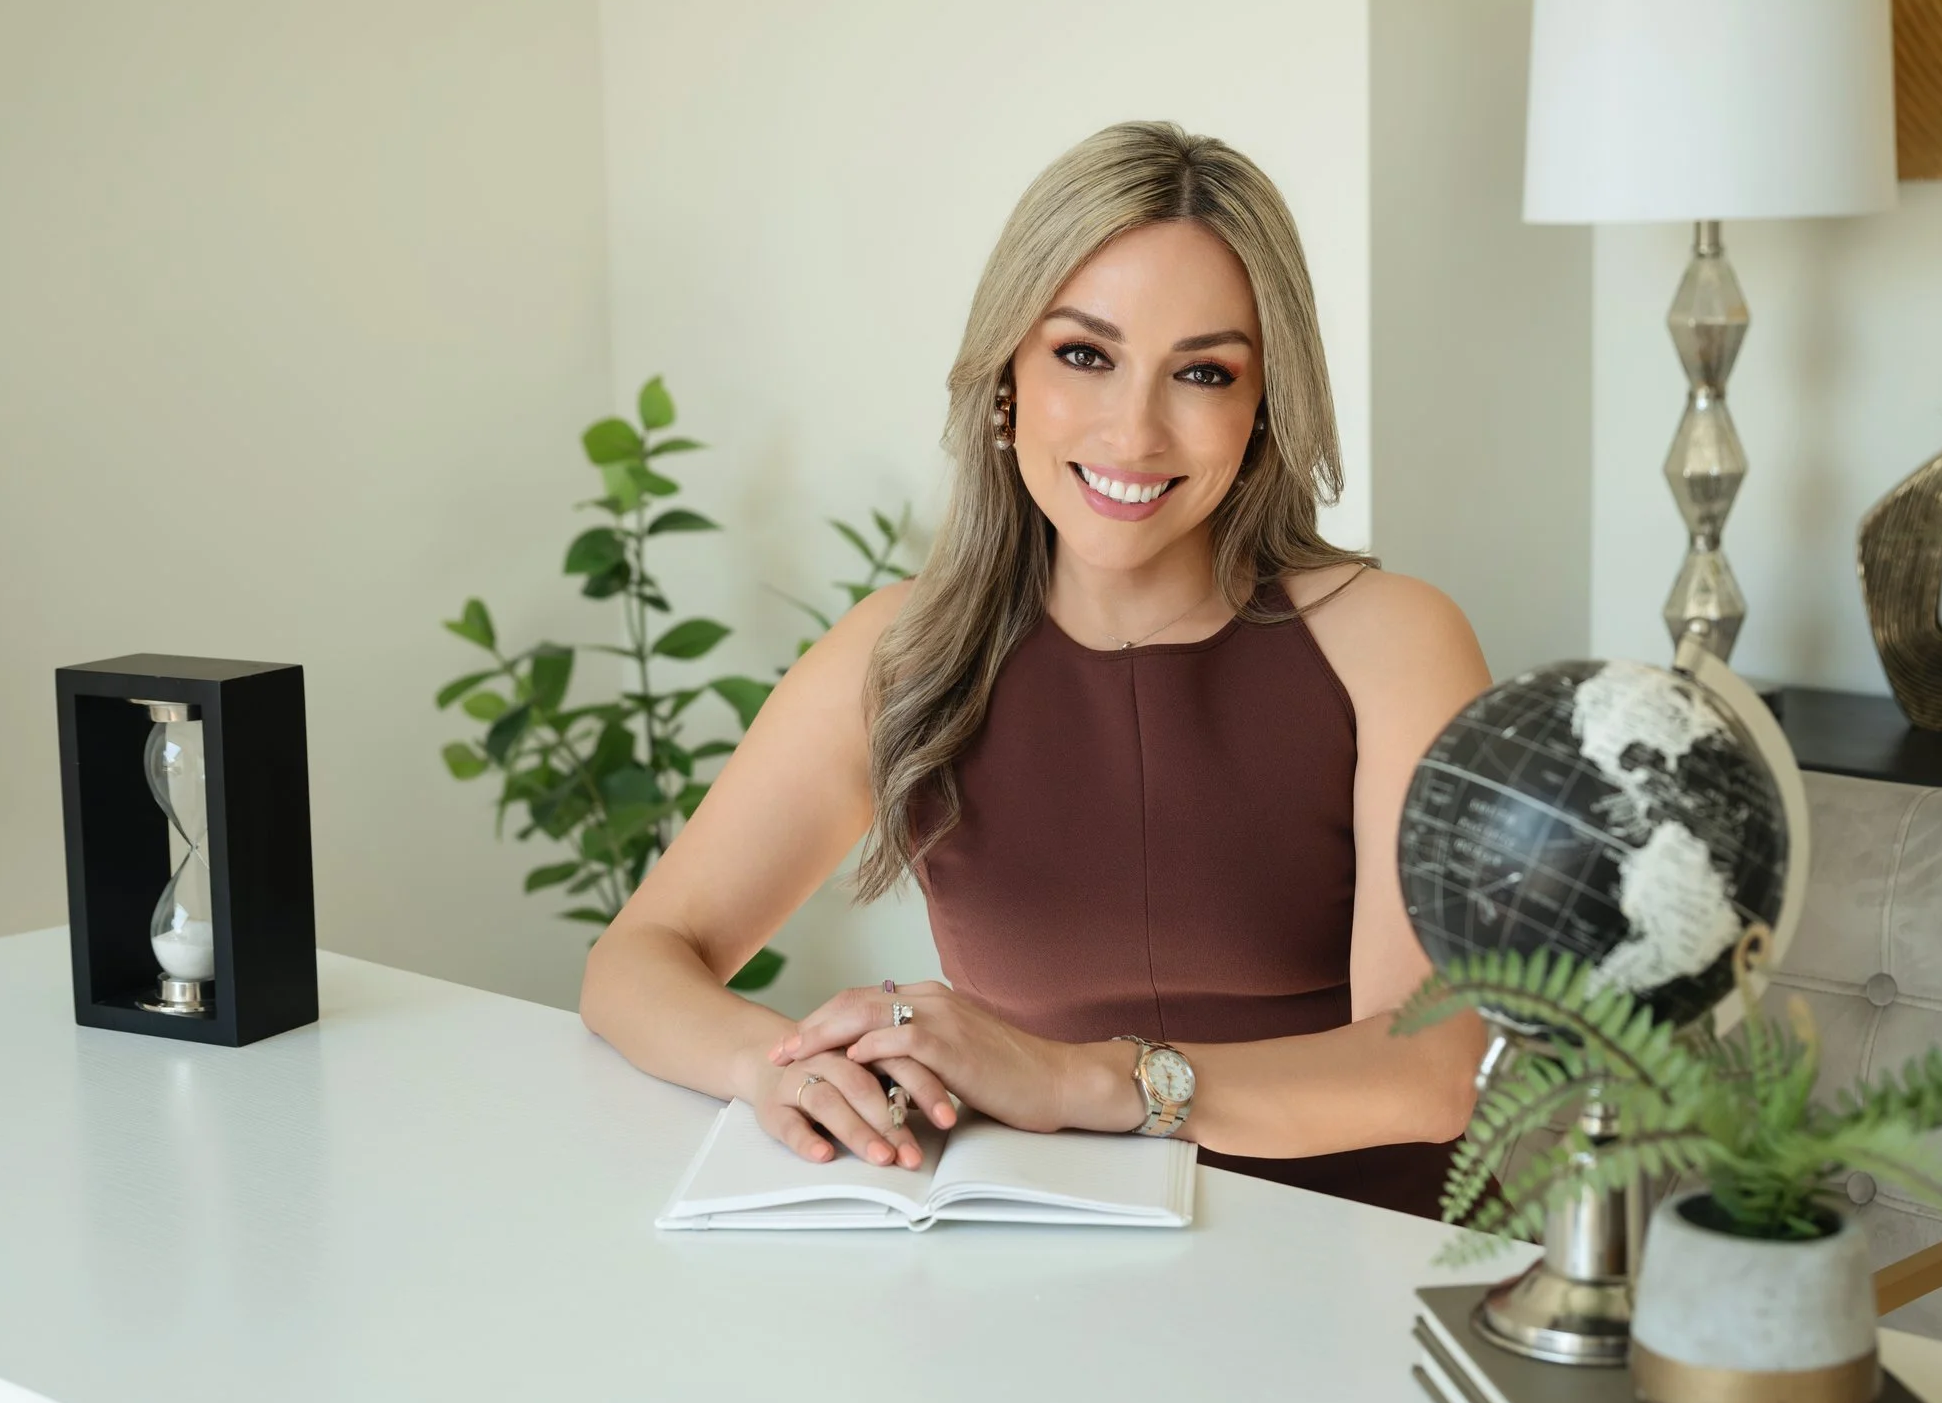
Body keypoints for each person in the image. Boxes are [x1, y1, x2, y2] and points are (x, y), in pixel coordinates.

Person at [581, 120, 1490, 1218]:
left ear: (1260, 411)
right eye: (1083, 354)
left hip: (1358, 1272)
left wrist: (1076, 1077)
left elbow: (1432, 1070)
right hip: (1041, 1264)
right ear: (1005, 377)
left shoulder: (1392, 640)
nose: (1133, 431)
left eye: (1202, 372)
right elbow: (638, 959)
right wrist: (783, 1070)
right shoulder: (902, 654)